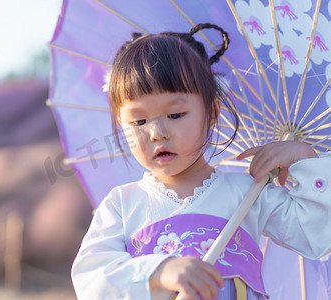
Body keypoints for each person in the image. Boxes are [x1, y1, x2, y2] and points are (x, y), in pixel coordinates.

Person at [71, 23, 331, 300]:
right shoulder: (122, 205)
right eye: (139, 121)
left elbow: (316, 235)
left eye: (175, 115)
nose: (157, 133)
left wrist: (305, 161)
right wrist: (159, 271)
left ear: (212, 112)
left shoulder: (248, 192)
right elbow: (92, 278)